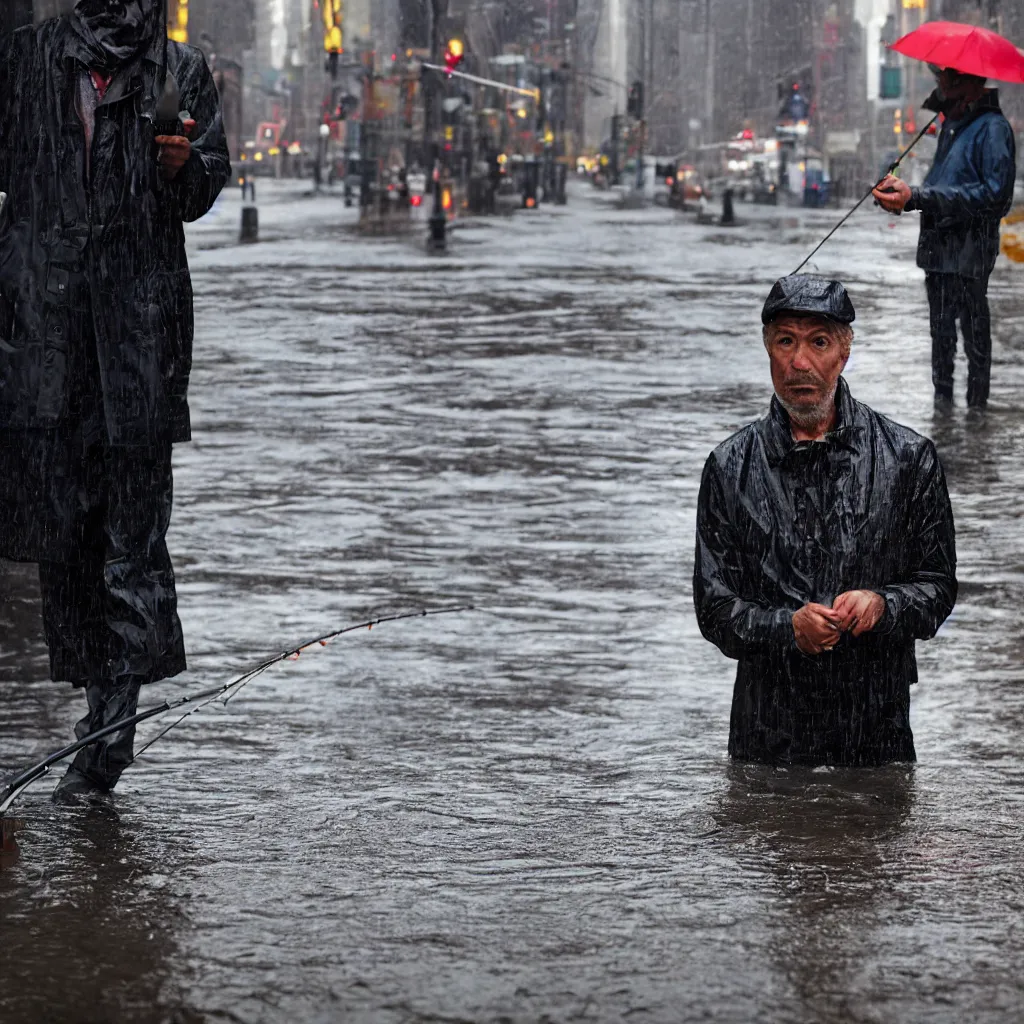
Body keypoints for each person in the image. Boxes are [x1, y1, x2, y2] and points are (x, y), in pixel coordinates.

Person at [0, 1, 230, 803]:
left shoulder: (181, 72)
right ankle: (98, 716)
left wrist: (180, 167)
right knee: (65, 544)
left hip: (137, 350)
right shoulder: (28, 60)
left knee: (132, 545)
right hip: (48, 344)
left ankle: (107, 738)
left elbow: (205, 187)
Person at [693, 275, 957, 766]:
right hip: (767, 736)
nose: (800, 362)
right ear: (768, 350)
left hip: (875, 735)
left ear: (844, 352)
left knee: (879, 840)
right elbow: (713, 609)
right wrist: (786, 628)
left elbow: (939, 589)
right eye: (785, 341)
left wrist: (883, 605)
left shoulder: (908, 458)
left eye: (818, 342)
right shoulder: (730, 467)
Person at [873, 65, 1016, 409]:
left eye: (942, 80)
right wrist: (905, 194)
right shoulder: (951, 124)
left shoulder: (993, 129)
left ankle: (976, 412)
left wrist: (920, 197)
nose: (937, 85)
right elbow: (944, 182)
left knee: (974, 336)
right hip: (938, 251)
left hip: (969, 255)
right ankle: (943, 412)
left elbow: (995, 197)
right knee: (941, 337)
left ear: (964, 82)